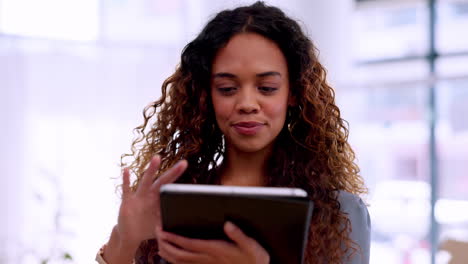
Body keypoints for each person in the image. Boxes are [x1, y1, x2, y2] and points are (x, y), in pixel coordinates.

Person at [96, 2, 370, 264]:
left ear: (294, 93)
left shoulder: (340, 213)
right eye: (227, 89)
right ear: (206, 97)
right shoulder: (173, 204)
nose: (247, 104)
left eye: (267, 88)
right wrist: (124, 242)